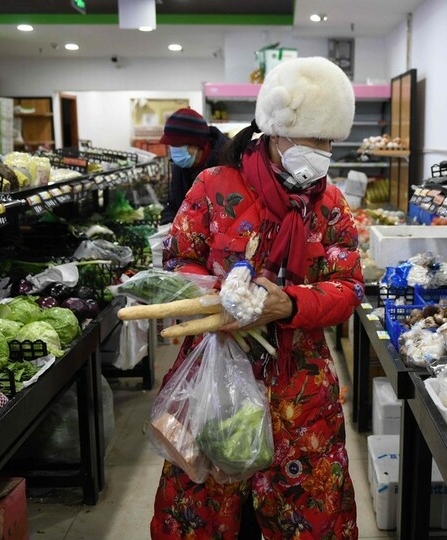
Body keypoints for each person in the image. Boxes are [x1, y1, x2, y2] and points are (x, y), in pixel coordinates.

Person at [152, 56, 364, 539]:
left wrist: (291, 304)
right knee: (210, 505)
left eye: (330, 142)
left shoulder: (330, 205)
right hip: (215, 377)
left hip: (299, 387)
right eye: (313, 139)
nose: (323, 153)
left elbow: (348, 285)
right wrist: (220, 298)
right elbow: (178, 259)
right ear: (275, 132)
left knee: (307, 514)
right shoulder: (214, 186)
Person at [159, 107, 229, 223]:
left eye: (178, 145)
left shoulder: (226, 164)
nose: (174, 150)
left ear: (196, 145)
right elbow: (174, 206)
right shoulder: (180, 166)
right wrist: (168, 222)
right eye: (171, 145)